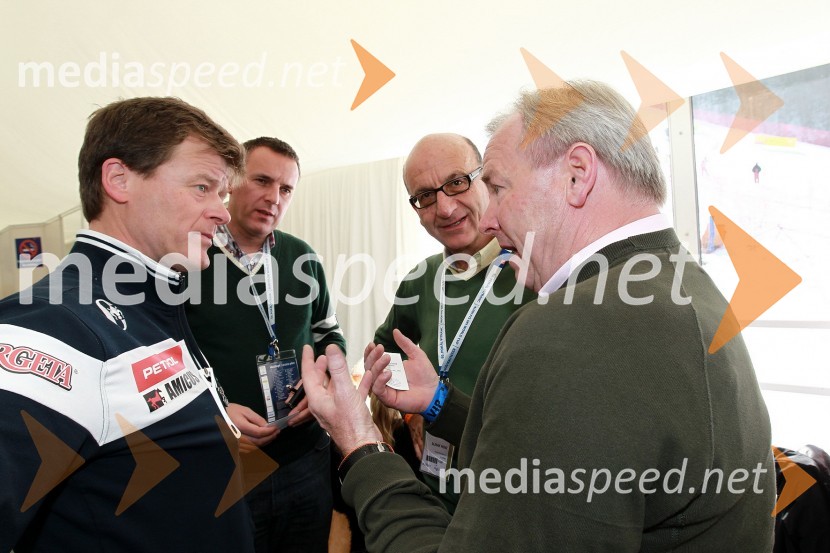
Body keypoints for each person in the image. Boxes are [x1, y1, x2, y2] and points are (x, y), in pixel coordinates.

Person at [302, 80, 776, 552]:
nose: (488, 220)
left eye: (496, 187)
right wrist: (438, 402)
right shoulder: (687, 284)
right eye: (425, 196)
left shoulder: (565, 331)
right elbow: (558, 445)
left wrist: (361, 446)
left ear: (577, 174)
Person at [0, 97, 253, 551]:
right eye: (202, 187)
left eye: (223, 194)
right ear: (118, 180)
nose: (222, 212)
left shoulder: (154, 302)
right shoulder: (53, 325)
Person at [186, 136, 346, 553]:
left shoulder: (302, 258)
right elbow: (164, 360)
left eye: (286, 189)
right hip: (228, 466)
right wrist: (216, 415)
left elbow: (330, 334)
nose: (274, 198)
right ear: (232, 182)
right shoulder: (189, 259)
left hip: (306, 458)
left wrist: (325, 380)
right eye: (262, 181)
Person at [372, 133, 534, 511]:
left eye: (457, 182)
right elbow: (384, 350)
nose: (444, 208)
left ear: (486, 180)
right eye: (425, 196)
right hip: (437, 490)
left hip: (514, 495)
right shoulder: (421, 279)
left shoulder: (534, 270)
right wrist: (413, 409)